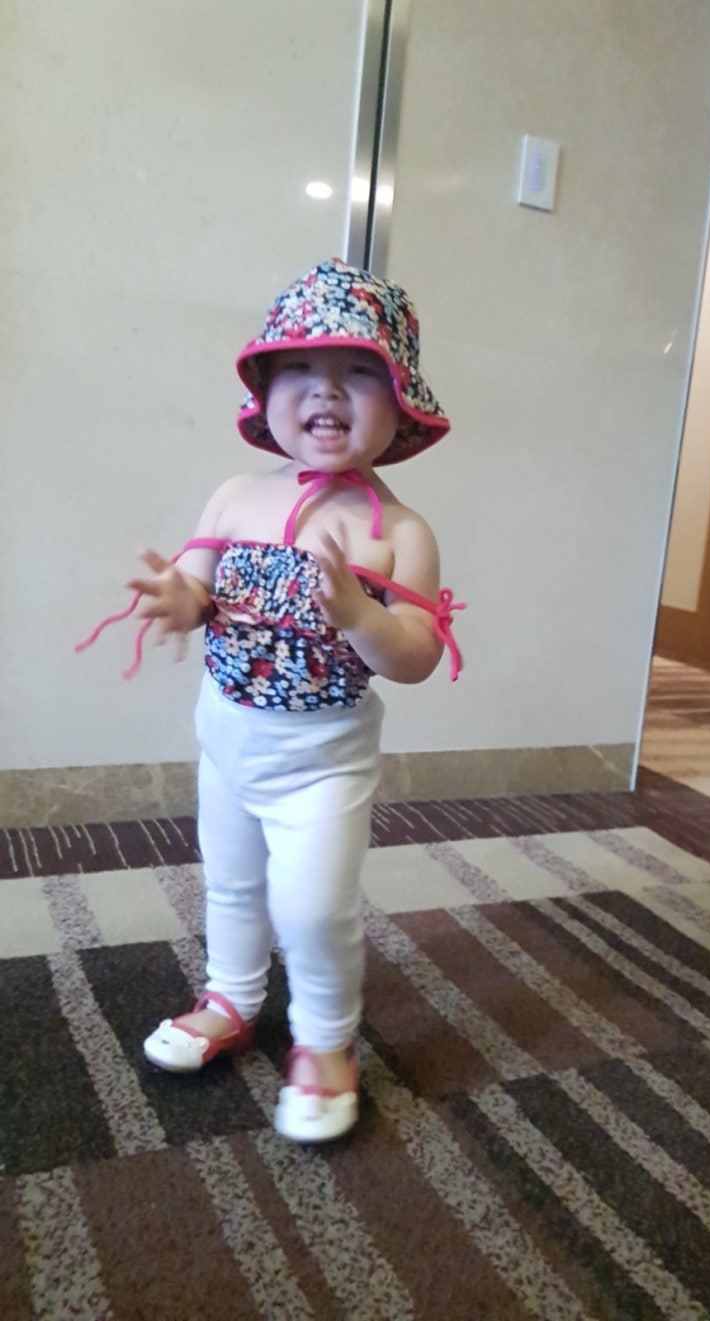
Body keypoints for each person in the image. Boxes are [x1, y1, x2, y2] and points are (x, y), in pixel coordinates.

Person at [78, 258, 463, 1142]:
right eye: (299, 369)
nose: (325, 389)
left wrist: (361, 615)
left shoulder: (401, 531)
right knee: (232, 883)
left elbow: (415, 655)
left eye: (358, 369)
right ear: (264, 393)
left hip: (322, 760)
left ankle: (325, 1040)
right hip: (226, 739)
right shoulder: (235, 496)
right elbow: (196, 582)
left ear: (400, 401)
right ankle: (231, 998)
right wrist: (179, 598)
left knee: (312, 907)